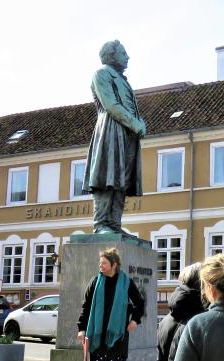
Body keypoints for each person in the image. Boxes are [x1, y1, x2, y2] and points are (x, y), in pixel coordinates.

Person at [83, 40, 146, 234]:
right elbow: (110, 105)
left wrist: (138, 124)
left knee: (121, 180)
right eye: (124, 53)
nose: (128, 57)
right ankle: (101, 224)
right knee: (106, 176)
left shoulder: (123, 80)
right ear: (112, 55)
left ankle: (114, 225)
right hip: (110, 130)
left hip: (127, 135)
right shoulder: (101, 74)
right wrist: (136, 123)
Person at [77, 247, 145, 361]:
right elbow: (86, 307)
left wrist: (134, 320)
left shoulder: (125, 282)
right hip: (95, 335)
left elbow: (139, 303)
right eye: (100, 263)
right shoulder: (95, 282)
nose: (101, 266)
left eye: (104, 263)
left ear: (114, 265)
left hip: (117, 335)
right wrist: (81, 329)